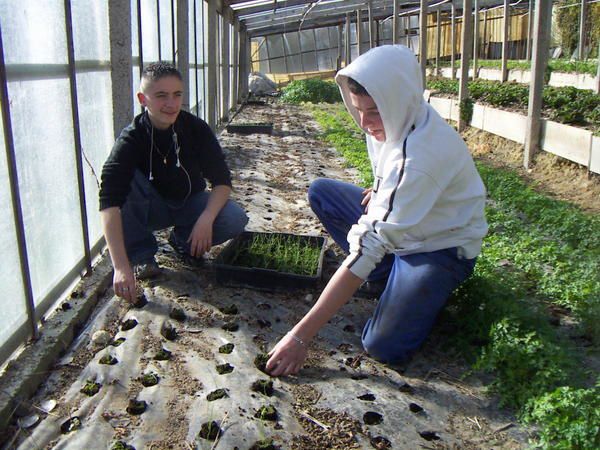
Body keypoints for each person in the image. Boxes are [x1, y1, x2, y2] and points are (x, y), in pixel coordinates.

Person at [266, 45, 488, 376]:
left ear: (397, 99)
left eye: (374, 112)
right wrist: (382, 189)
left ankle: (414, 292)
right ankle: (387, 277)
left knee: (382, 345)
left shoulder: (420, 158)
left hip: (437, 248)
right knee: (323, 193)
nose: (366, 124)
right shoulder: (396, 116)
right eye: (359, 111)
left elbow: (372, 236)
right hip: (405, 228)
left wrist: (300, 337)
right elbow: (389, 169)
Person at [99, 62, 248, 303]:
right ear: (142, 99)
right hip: (150, 208)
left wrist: (206, 219)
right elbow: (108, 202)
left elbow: (222, 181)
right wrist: (120, 266)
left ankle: (182, 242)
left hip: (189, 202)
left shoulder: (195, 128)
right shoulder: (132, 138)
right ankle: (141, 257)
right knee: (128, 181)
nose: (171, 104)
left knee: (235, 218)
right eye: (161, 96)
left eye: (177, 95)